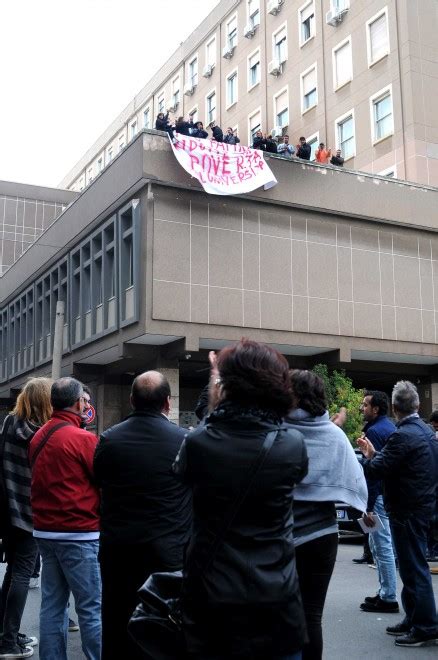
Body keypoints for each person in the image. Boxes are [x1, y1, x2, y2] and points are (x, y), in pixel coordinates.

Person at [173, 340, 309, 660]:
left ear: (226, 386)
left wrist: (215, 383)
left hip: (212, 601)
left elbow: (197, 449)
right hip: (278, 599)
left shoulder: (199, 443)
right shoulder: (292, 445)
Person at [94, 371, 191, 660]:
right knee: (165, 627)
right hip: (167, 552)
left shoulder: (110, 439)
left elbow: (99, 480)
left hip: (119, 550)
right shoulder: (183, 440)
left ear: (132, 400)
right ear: (168, 403)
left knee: (116, 623)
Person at [285, 370, 367, 660]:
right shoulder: (334, 436)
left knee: (278, 612)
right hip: (323, 536)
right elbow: (357, 484)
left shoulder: (278, 431)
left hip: (281, 535)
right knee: (312, 615)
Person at [358, 380, 438, 648]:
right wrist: (376, 456)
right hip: (422, 507)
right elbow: (395, 463)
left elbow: (377, 468)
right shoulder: (425, 431)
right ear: (416, 404)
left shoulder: (402, 435)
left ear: (393, 407)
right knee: (411, 566)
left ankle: (426, 625)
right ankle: (414, 618)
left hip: (407, 509)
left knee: (413, 568)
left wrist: (369, 456)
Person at [29, 377, 101, 660]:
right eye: (84, 400)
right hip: (79, 533)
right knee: (90, 609)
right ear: (79, 402)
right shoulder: (83, 439)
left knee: (52, 606)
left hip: (45, 532)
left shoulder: (38, 436)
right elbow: (102, 479)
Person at [0, 378, 52, 659]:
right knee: (21, 574)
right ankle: (8, 643)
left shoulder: (10, 424)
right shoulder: (41, 435)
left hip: (8, 511)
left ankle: (6, 633)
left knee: (12, 574)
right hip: (30, 513)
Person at [356, 391, 398, 613]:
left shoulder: (375, 431)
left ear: (376, 409)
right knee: (379, 546)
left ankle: (388, 596)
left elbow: (373, 472)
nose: (362, 408)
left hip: (378, 497)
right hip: (385, 495)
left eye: (365, 405)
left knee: (382, 547)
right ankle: (384, 592)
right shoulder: (389, 428)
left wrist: (369, 507)